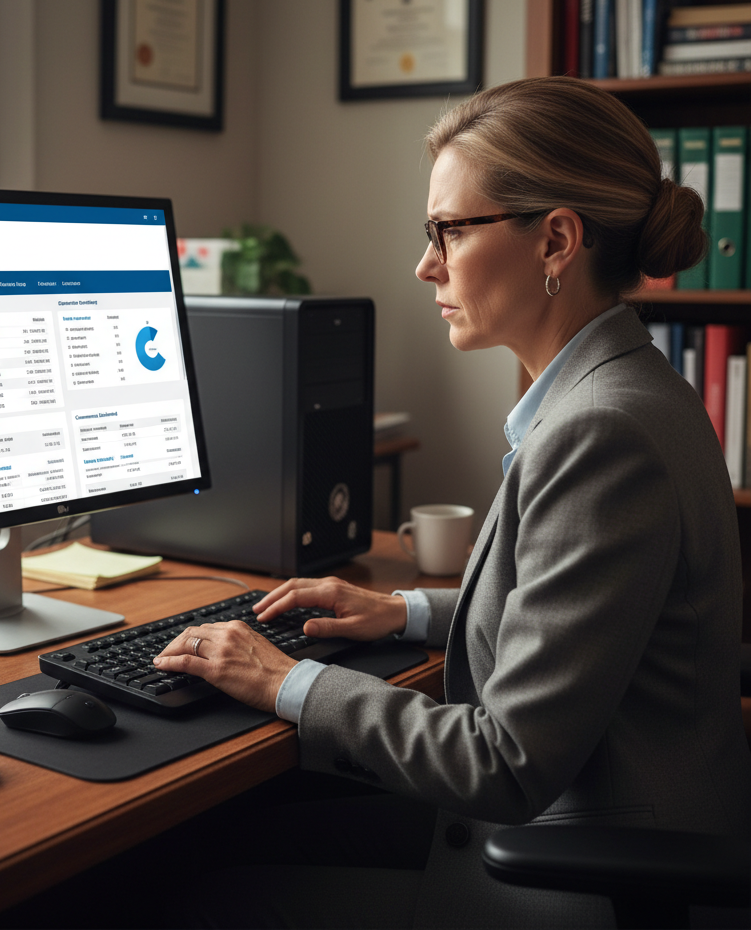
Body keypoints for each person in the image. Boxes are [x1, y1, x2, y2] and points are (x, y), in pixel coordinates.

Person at [153, 76, 751, 928]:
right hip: (590, 815)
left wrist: (284, 678)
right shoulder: (632, 387)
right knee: (229, 836)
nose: (426, 264)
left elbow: (502, 763)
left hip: (579, 869)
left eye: (450, 231)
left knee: (198, 895)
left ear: (556, 241)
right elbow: (580, 613)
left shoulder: (601, 432)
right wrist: (403, 611)